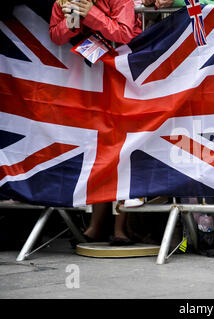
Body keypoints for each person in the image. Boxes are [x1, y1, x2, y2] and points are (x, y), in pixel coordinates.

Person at [49, 0, 143, 245]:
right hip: (89, 80)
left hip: (125, 78)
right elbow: (55, 36)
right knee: (98, 147)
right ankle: (96, 225)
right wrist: (72, 22)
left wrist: (91, 15)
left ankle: (121, 227)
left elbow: (125, 34)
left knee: (123, 147)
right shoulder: (66, 0)